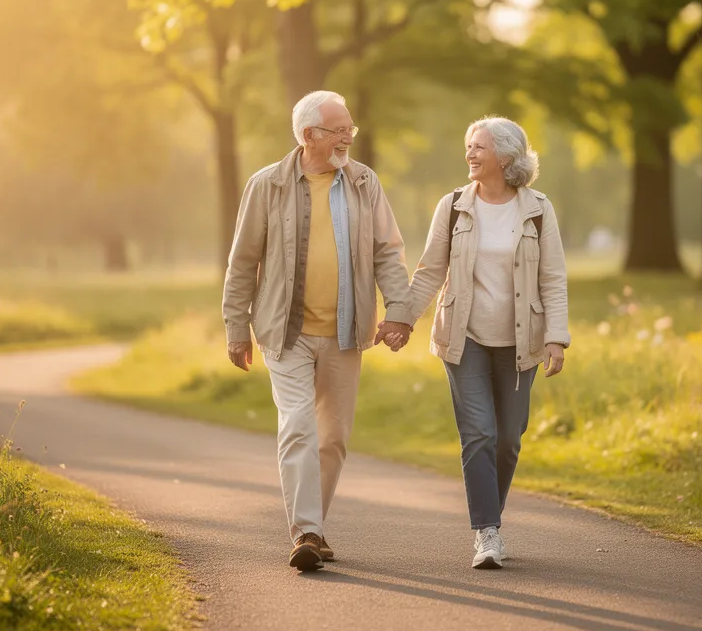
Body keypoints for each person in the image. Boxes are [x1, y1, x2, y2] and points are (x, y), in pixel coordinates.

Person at [223, 90, 413, 572]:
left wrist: (400, 310)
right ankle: (306, 530)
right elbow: (243, 261)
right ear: (309, 136)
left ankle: (315, 528)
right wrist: (236, 326)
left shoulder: (364, 182)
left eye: (350, 128)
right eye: (338, 129)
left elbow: (388, 251)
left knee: (333, 437)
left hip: (345, 331)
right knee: (299, 427)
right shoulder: (267, 185)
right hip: (284, 332)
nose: (349, 136)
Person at [386, 116, 570, 569]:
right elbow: (430, 270)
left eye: (479, 147)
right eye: (468, 146)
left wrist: (556, 338)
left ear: (506, 156)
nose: (469, 153)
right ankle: (487, 533)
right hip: (463, 336)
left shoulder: (538, 209)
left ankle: (491, 515)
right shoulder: (452, 206)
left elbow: (553, 278)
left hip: (520, 341)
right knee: (479, 435)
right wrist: (401, 318)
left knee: (508, 439)